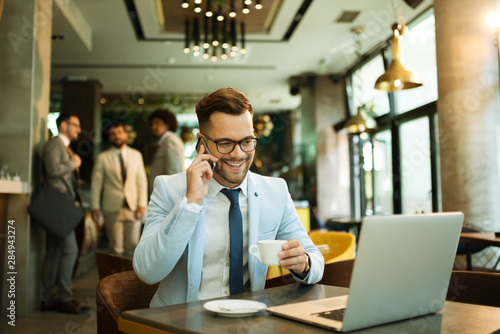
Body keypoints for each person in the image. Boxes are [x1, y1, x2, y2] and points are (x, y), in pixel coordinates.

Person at [133, 88, 324, 307]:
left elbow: (316, 261)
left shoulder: (275, 191)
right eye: (225, 143)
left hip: (248, 322)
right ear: (202, 142)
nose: (238, 154)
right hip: (180, 322)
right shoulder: (169, 189)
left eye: (246, 141)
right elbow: (147, 271)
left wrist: (304, 263)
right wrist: (190, 203)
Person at [40, 113, 90, 314]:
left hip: (61, 204)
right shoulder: (54, 144)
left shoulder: (65, 147)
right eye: (75, 125)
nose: (79, 129)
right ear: (63, 125)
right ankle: (65, 299)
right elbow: (52, 170)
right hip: (56, 203)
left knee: (54, 251)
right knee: (70, 250)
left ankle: (48, 298)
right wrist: (74, 163)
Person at [90, 122, 148, 258]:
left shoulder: (136, 155)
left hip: (133, 208)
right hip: (112, 208)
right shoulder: (102, 158)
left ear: (126, 134)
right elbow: (96, 184)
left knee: (134, 247)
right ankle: (118, 278)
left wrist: (142, 205)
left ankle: (131, 278)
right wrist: (95, 207)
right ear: (109, 137)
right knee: (116, 248)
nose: (117, 136)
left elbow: (141, 182)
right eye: (113, 134)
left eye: (120, 132)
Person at [148, 109, 186, 197]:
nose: (153, 127)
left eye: (157, 123)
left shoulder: (170, 141)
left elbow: (174, 174)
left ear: (167, 124)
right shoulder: (165, 141)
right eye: (152, 124)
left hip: (167, 198)